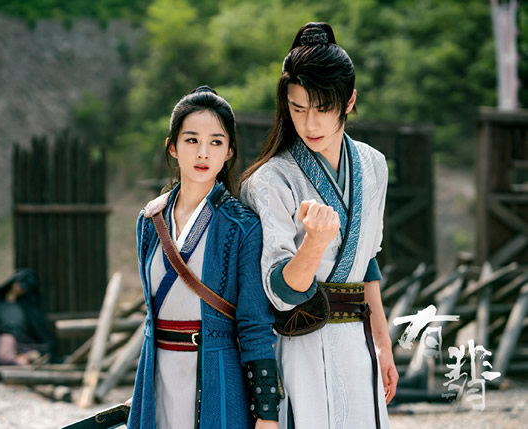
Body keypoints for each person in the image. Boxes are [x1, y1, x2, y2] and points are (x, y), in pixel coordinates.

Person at [240, 22, 398, 428]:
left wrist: (383, 345)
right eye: (298, 109)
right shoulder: (269, 180)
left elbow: (367, 263)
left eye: (323, 108)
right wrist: (314, 243)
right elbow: (279, 292)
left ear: (349, 100)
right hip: (300, 344)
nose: (310, 124)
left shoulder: (374, 165)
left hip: (359, 341)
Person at [128, 86, 281, 429]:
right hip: (158, 377)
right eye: (191, 140)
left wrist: (267, 412)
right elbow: (152, 316)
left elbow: (255, 324)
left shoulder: (242, 226)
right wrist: (140, 390)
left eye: (215, 142)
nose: (203, 153)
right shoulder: (150, 220)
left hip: (217, 375)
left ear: (229, 151)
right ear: (172, 146)